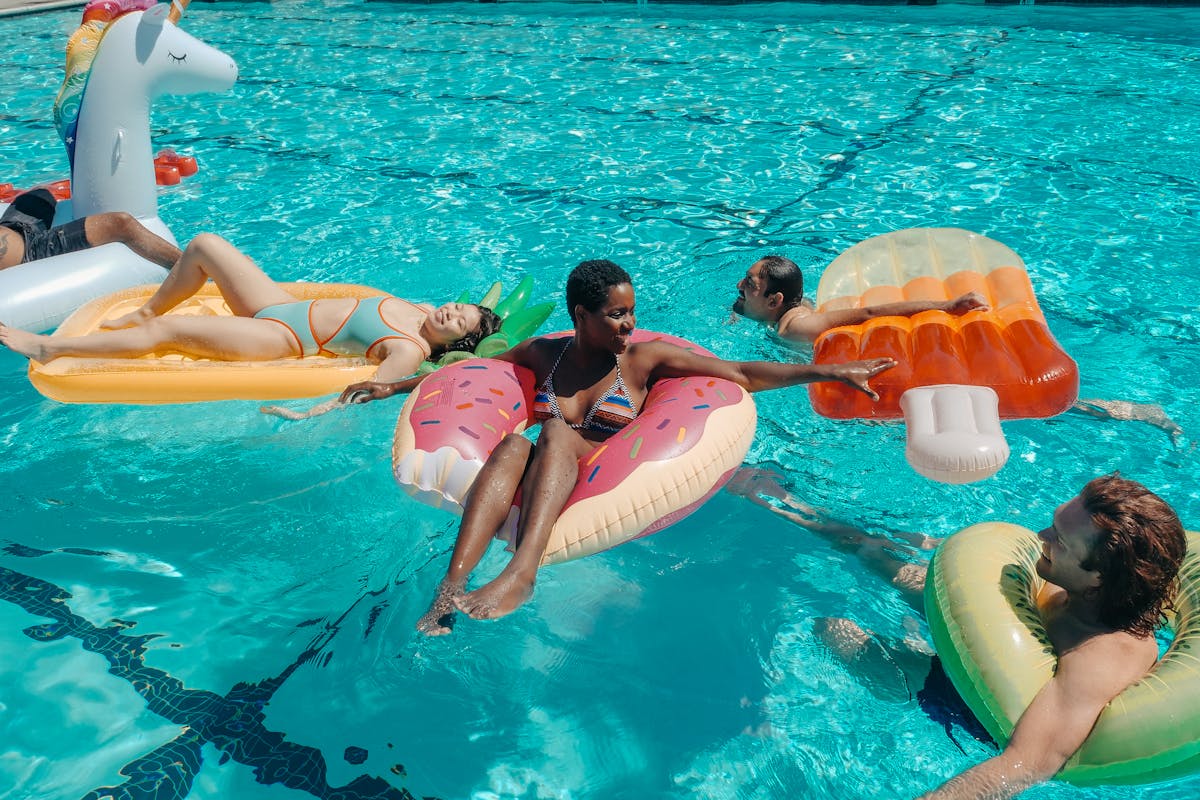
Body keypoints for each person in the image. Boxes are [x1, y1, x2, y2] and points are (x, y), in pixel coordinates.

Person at [367, 259, 895, 635]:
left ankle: (520, 572)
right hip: (546, 474)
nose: (630, 323)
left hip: (617, 479)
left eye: (632, 311)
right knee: (509, 446)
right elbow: (476, 374)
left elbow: (739, 372)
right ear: (580, 315)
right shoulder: (543, 354)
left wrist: (827, 370)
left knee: (551, 431)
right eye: (617, 314)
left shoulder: (641, 362)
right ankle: (447, 591)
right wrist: (392, 386)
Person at [728, 469, 1187, 800]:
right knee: (879, 557)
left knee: (833, 632)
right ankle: (788, 506)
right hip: (1003, 634)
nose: (1041, 535)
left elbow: (1025, 765)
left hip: (969, 701)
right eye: (1055, 522)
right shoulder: (1075, 582)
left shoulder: (1101, 660)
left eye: (1060, 541)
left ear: (1097, 579)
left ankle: (908, 655)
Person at [0, 233, 502, 389]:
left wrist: (309, 414)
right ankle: (144, 313)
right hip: (280, 308)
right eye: (457, 306)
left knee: (176, 331)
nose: (452, 312)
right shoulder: (414, 308)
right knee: (205, 246)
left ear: (454, 342)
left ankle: (49, 345)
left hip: (284, 340)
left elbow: (367, 392)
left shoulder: (408, 349)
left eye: (459, 321)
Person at [732, 254, 988, 344]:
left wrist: (947, 306)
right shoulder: (792, 306)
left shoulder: (798, 327)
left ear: (775, 301)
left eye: (749, 284)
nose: (739, 285)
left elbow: (870, 314)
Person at [0, 187, 180, 271]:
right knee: (119, 223)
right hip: (32, 251)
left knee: (40, 194)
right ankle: (193, 267)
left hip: (15, 229)